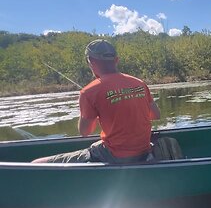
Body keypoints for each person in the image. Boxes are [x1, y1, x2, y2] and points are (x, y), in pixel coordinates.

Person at [32, 39, 161, 164]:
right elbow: (156, 115)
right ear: (116, 60)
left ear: (91, 62)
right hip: (144, 152)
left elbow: (85, 132)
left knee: (37, 162)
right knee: (96, 144)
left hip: (115, 156)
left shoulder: (89, 92)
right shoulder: (139, 83)